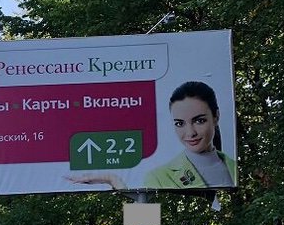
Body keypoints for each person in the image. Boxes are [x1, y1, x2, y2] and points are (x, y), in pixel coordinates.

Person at [66, 80, 236, 190]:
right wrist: (113, 180)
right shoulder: (160, 176)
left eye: (199, 121)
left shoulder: (234, 167)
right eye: (180, 123)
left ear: (216, 117)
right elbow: (145, 221)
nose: (190, 133)